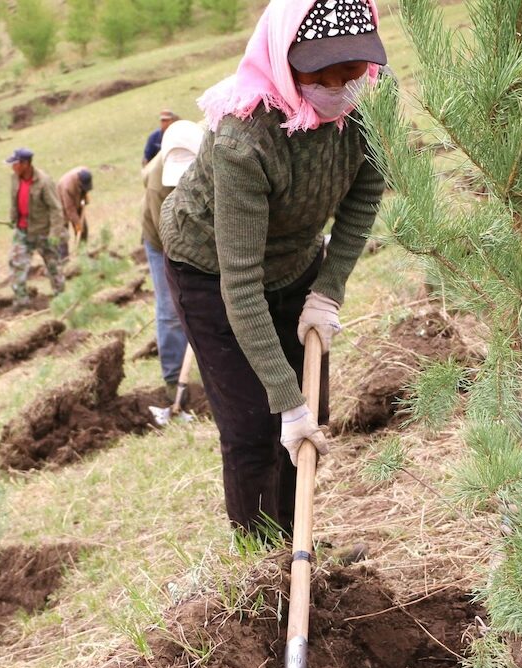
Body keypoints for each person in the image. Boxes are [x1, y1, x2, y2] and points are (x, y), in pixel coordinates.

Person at [160, 0, 387, 542]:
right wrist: (284, 400)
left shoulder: (374, 96)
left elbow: (366, 190)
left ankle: (297, 541)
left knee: (311, 413)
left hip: (297, 261)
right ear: (286, 60)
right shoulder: (246, 137)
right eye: (321, 74)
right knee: (257, 427)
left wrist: (327, 292)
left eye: (350, 73)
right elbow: (240, 285)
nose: (338, 88)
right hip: (212, 273)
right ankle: (262, 566)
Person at [141, 119, 204, 398]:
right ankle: (172, 379)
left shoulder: (208, 145)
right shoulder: (158, 184)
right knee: (170, 307)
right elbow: (170, 237)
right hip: (161, 239)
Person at [5, 147, 67, 306]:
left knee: (53, 266)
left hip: (43, 232)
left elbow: (56, 208)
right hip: (22, 231)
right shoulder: (15, 178)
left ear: (25, 164)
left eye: (16, 164)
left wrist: (55, 233)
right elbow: (15, 201)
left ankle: (62, 299)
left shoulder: (44, 182)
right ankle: (21, 300)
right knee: (16, 263)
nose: (13, 167)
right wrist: (13, 218)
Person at [58, 166, 93, 247]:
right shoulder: (67, 187)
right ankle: (64, 258)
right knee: (63, 233)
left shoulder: (86, 172)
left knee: (83, 229)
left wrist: (85, 195)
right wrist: (77, 223)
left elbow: (85, 188)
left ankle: (81, 252)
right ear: (79, 182)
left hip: (77, 200)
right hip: (62, 206)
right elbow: (69, 209)